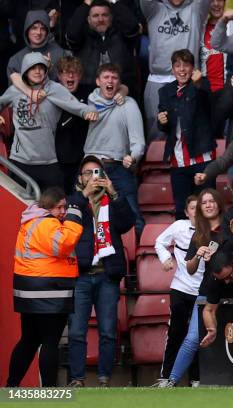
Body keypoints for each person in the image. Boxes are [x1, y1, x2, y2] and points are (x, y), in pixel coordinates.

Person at [66, 156, 135, 387]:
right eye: (88, 172)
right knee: (76, 331)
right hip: (81, 276)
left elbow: (127, 223)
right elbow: (67, 221)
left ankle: (105, 379)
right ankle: (77, 379)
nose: (93, 176)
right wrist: (84, 195)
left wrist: (114, 193)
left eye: (97, 172)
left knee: (107, 331)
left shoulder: (111, 199)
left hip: (107, 275)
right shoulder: (74, 201)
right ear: (80, 178)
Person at [155, 189, 232, 387]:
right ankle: (171, 380)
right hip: (208, 290)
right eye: (203, 203)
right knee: (191, 338)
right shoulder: (198, 234)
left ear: (218, 204)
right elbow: (190, 269)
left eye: (211, 201)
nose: (208, 205)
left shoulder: (230, 225)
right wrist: (197, 255)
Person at [7, 187, 83, 387]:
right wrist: (74, 217)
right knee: (50, 341)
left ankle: (11, 386)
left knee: (29, 340)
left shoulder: (30, 221)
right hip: (50, 289)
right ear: (49, 206)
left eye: (65, 208)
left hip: (28, 289)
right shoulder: (48, 222)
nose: (63, 211)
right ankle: (49, 392)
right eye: (60, 207)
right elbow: (63, 244)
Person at [0, 52, 98, 191]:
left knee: (55, 207)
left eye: (41, 67)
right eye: (33, 67)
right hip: (20, 161)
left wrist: (88, 111)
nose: (38, 71)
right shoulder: (14, 90)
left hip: (48, 162)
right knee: (19, 209)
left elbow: (76, 106)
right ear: (26, 70)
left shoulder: (54, 89)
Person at [84, 63, 145, 236]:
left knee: (134, 217)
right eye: (106, 77)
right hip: (91, 168)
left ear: (119, 83)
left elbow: (138, 141)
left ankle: (136, 260)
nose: (110, 81)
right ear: (97, 81)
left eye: (114, 78)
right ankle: (91, 259)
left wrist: (133, 157)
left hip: (117, 167)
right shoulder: (87, 102)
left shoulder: (128, 104)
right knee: (88, 216)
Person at [157, 49, 218, 218]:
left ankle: (210, 243)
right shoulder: (165, 91)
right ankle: (185, 244)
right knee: (181, 209)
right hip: (178, 160)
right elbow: (165, 125)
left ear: (193, 69)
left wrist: (197, 85)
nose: (182, 69)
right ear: (172, 69)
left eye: (186, 65)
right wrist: (161, 121)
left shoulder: (202, 85)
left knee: (208, 207)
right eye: (177, 65)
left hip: (202, 157)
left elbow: (209, 105)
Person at [153, 195, 205, 386]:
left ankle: (196, 379)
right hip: (180, 288)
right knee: (176, 333)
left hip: (202, 291)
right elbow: (159, 242)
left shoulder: (210, 230)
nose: (196, 211)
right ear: (186, 212)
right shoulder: (179, 227)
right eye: (192, 208)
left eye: (198, 207)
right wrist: (166, 258)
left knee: (198, 337)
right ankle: (166, 377)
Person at [140, 0, 211, 140]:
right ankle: (159, 162)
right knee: (157, 130)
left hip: (187, 80)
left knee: (188, 131)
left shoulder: (196, 9)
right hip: (157, 79)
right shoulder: (154, 9)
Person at [65, 0, 140, 95]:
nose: (100, 19)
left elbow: (133, 27)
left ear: (111, 18)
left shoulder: (122, 35)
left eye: (105, 15)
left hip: (121, 91)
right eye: (95, 16)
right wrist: (86, 4)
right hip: (87, 92)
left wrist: (113, 1)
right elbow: (72, 34)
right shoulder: (82, 37)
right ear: (88, 20)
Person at [7, 10, 67, 95]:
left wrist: (49, 70)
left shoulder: (60, 54)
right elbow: (12, 94)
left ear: (47, 31)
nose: (38, 32)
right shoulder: (15, 60)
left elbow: (67, 88)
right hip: (26, 105)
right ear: (27, 30)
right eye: (34, 28)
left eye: (42, 29)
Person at [55, 56, 90, 194]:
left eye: (74, 72)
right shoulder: (51, 94)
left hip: (82, 160)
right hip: (57, 161)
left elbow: (114, 86)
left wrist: (123, 91)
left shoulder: (90, 93)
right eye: (65, 72)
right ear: (59, 76)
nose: (70, 75)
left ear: (80, 76)